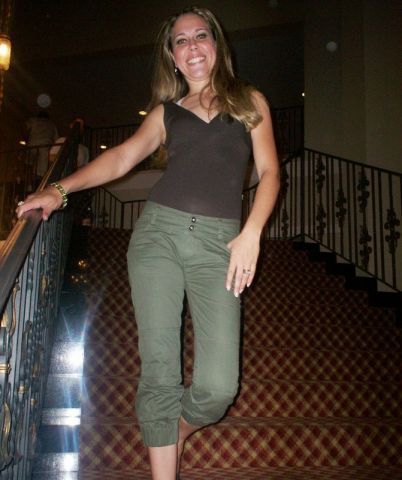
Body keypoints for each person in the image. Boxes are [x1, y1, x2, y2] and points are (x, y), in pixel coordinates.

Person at [17, 7, 280, 479]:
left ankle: (173, 429)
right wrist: (59, 190)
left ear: (217, 45)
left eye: (201, 35)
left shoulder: (249, 101)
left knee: (219, 387)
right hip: (158, 237)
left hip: (221, 245)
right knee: (160, 369)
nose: (192, 46)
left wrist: (252, 233)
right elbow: (122, 157)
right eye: (181, 41)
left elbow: (271, 172)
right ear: (173, 57)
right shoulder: (167, 113)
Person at [25, 110, 59, 180]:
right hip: (45, 146)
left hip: (32, 143)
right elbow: (56, 139)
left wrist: (26, 138)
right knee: (41, 170)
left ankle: (27, 180)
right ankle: (38, 183)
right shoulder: (52, 125)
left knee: (29, 163)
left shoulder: (33, 120)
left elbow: (25, 127)